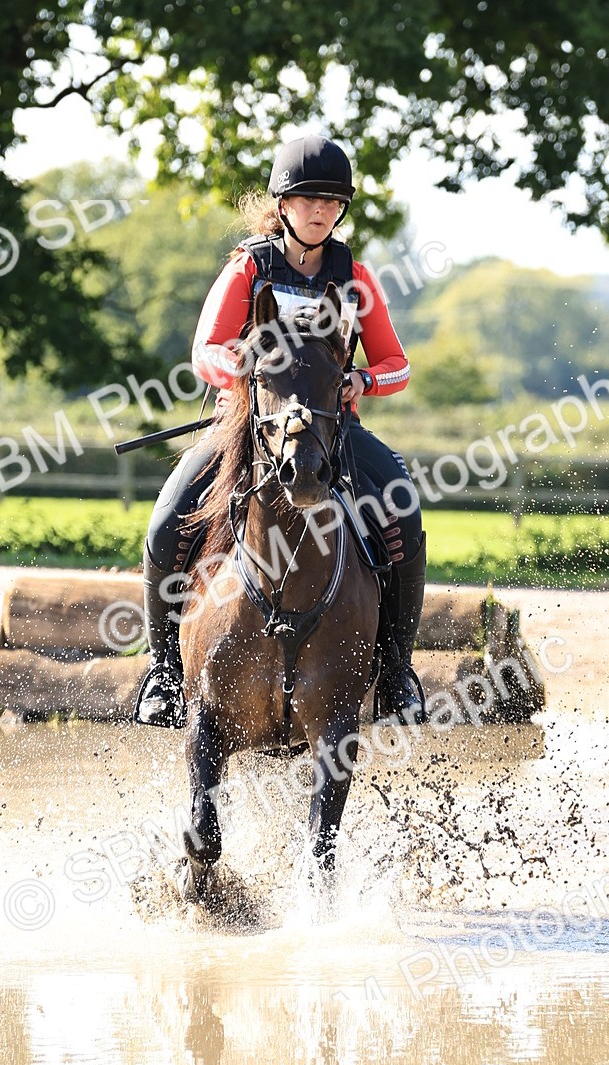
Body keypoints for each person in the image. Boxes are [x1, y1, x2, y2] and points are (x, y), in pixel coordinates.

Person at [136, 133, 426, 728]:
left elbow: (397, 364)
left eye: (331, 202)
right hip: (247, 428)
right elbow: (205, 350)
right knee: (167, 521)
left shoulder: (355, 278)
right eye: (307, 200)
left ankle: (396, 670)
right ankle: (164, 672)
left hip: (330, 432)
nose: (320, 211)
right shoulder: (251, 265)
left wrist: (362, 384)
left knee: (404, 510)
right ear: (284, 205)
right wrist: (240, 368)